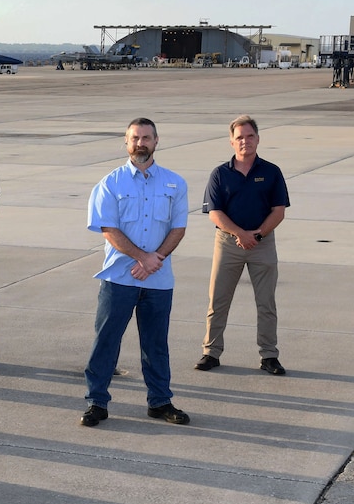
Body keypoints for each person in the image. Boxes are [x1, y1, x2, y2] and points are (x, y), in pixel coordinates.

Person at [81, 117, 191, 427]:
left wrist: (154, 260)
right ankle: (96, 403)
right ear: (126, 143)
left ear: (157, 141)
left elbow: (178, 228)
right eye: (134, 138)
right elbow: (108, 229)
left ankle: (160, 402)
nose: (140, 143)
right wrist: (142, 257)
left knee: (156, 344)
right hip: (119, 279)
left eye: (146, 138)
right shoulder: (110, 183)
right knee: (106, 341)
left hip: (158, 279)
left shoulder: (175, 183)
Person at [196, 115, 290, 375]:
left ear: (258, 139)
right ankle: (211, 353)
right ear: (231, 142)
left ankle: (269, 355)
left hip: (263, 244)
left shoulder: (271, 172)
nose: (245, 142)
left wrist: (257, 235)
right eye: (239, 137)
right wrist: (240, 233)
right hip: (227, 243)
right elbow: (214, 212)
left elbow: (278, 211)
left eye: (250, 136)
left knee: (266, 303)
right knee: (218, 300)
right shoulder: (220, 174)